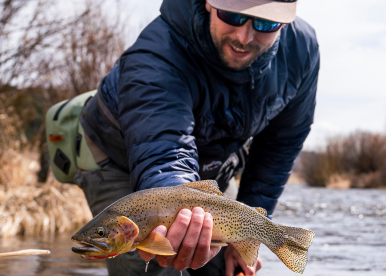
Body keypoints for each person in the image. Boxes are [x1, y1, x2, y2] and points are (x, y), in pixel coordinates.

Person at [74, 0, 319, 275]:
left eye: (266, 23)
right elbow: (163, 154)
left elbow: (279, 148)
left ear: (285, 23)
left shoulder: (301, 51)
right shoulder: (156, 53)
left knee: (221, 269)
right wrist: (183, 217)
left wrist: (245, 238)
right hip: (125, 157)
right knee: (154, 263)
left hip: (212, 161)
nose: (244, 37)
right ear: (209, 3)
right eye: (232, 15)